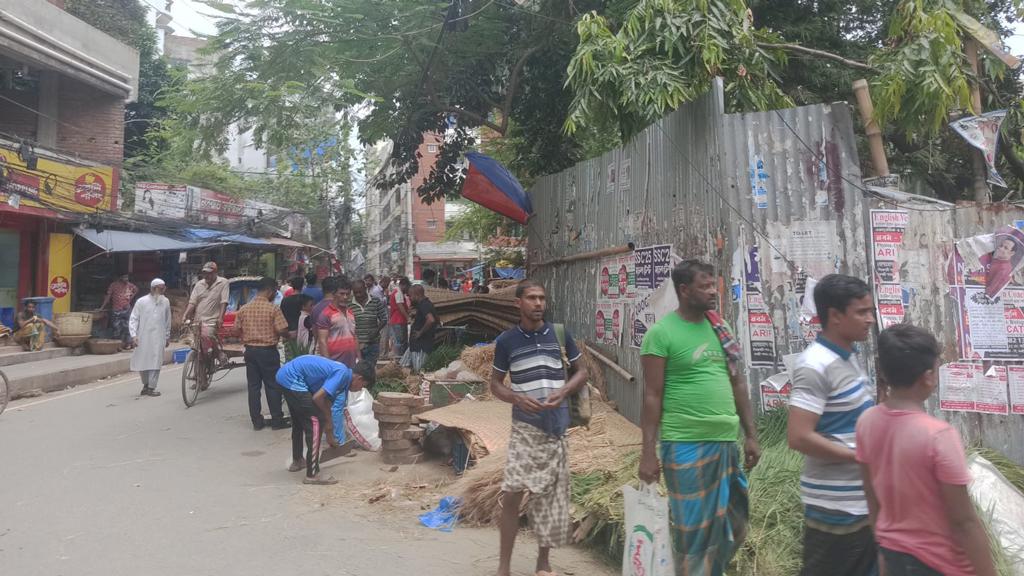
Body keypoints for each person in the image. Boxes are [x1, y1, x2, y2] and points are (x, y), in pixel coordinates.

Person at [638, 259, 760, 576]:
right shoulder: (661, 334)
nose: (712, 292)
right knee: (694, 534)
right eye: (704, 286)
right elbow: (652, 395)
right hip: (684, 444)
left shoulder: (720, 328)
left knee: (734, 523)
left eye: (712, 285)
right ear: (684, 290)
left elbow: (738, 382)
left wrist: (751, 434)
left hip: (725, 444)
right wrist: (648, 452)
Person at [857, 324, 996, 576]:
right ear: (928, 376)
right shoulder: (939, 436)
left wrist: (883, 551)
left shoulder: (866, 422)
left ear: (885, 372)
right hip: (939, 566)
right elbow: (963, 522)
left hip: (894, 555)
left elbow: (871, 494)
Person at [490, 279, 589, 576]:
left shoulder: (559, 334)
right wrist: (516, 398)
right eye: (531, 298)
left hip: (556, 428)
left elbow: (581, 372)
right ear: (517, 303)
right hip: (526, 428)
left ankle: (543, 563)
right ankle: (503, 566)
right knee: (512, 494)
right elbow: (494, 385)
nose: (538, 304)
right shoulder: (507, 341)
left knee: (551, 497)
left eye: (541, 298)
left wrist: (565, 391)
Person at [787, 274, 878, 576]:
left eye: (871, 311)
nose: (870, 319)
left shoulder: (847, 358)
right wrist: (859, 456)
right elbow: (799, 436)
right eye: (862, 312)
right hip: (836, 508)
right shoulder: (815, 365)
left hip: (859, 501)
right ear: (835, 316)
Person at [274, 356, 373, 485]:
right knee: (316, 421)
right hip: (292, 378)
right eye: (362, 386)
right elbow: (317, 398)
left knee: (299, 421)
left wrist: (330, 434)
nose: (360, 389)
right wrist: (327, 424)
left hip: (284, 377)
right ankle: (312, 474)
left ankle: (297, 460)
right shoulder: (342, 373)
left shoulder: (343, 379)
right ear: (359, 378)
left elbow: (326, 402)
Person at [234, 277, 290, 431]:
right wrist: (288, 335)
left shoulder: (244, 308)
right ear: (271, 291)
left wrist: (247, 335)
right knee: (272, 386)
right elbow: (281, 330)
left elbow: (236, 329)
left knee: (253, 387)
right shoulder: (273, 309)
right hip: (268, 351)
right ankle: (277, 420)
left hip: (250, 351)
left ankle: (256, 422)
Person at [129, 279, 171, 397]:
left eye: (164, 288)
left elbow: (168, 320)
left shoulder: (165, 301)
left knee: (156, 362)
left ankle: (151, 387)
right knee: (143, 361)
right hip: (143, 337)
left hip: (159, 337)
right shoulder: (141, 301)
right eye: (160, 288)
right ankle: (146, 385)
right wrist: (134, 335)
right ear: (153, 288)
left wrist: (167, 336)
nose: (163, 291)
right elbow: (134, 319)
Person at [314, 276, 360, 367]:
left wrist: (359, 358)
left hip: (351, 363)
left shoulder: (350, 313)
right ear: (334, 294)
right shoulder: (326, 314)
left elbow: (355, 337)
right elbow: (322, 341)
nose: (345, 297)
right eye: (341, 294)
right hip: (334, 363)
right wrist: (329, 365)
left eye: (347, 294)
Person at [351, 279, 386, 370]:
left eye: (360, 292)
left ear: (365, 289)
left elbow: (384, 319)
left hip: (372, 343)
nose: (358, 295)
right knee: (358, 370)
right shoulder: (349, 303)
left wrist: (376, 330)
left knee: (370, 369)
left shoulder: (375, 301)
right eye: (355, 292)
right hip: (356, 344)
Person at [101, 273, 138, 350]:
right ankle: (118, 345)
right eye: (124, 277)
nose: (126, 279)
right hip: (116, 310)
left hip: (127, 308)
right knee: (117, 328)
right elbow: (108, 296)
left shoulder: (129, 285)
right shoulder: (113, 285)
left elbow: (136, 290)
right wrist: (102, 307)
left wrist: (131, 298)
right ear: (120, 278)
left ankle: (128, 344)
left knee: (128, 327)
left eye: (127, 277)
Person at [406, 284, 437, 373]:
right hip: (416, 345)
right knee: (405, 366)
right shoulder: (425, 304)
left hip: (421, 346)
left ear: (417, 295)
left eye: (411, 296)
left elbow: (431, 320)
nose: (410, 298)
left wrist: (420, 332)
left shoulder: (424, 305)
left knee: (419, 371)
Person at [388, 277, 411, 359]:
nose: (407, 289)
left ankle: (401, 358)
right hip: (398, 320)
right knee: (400, 341)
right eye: (407, 287)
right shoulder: (398, 293)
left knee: (401, 341)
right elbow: (400, 306)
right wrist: (408, 317)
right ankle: (399, 359)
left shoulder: (398, 292)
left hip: (399, 320)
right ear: (403, 285)